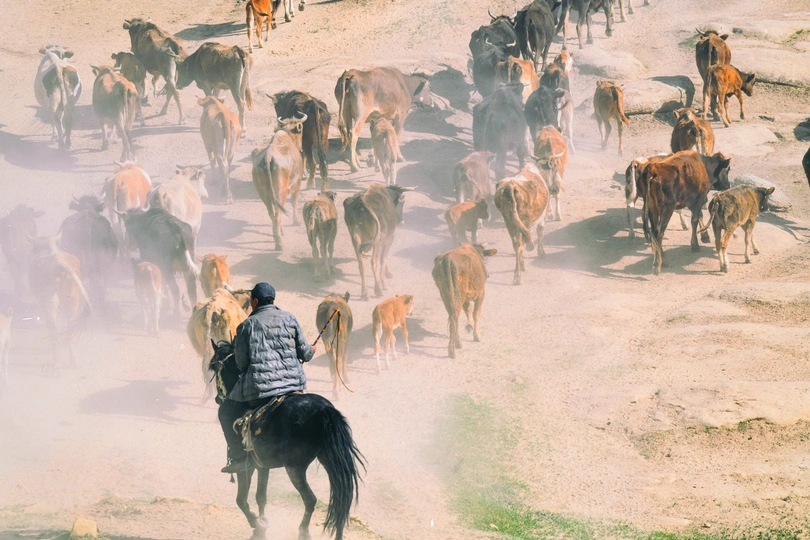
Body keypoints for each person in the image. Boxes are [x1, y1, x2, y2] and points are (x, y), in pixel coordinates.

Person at [218, 282, 315, 473]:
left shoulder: (246, 325)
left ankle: (238, 458)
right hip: (294, 385)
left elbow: (241, 363)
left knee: (226, 412)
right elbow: (305, 354)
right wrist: (312, 349)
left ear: (254, 301)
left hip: (260, 389)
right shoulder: (290, 318)